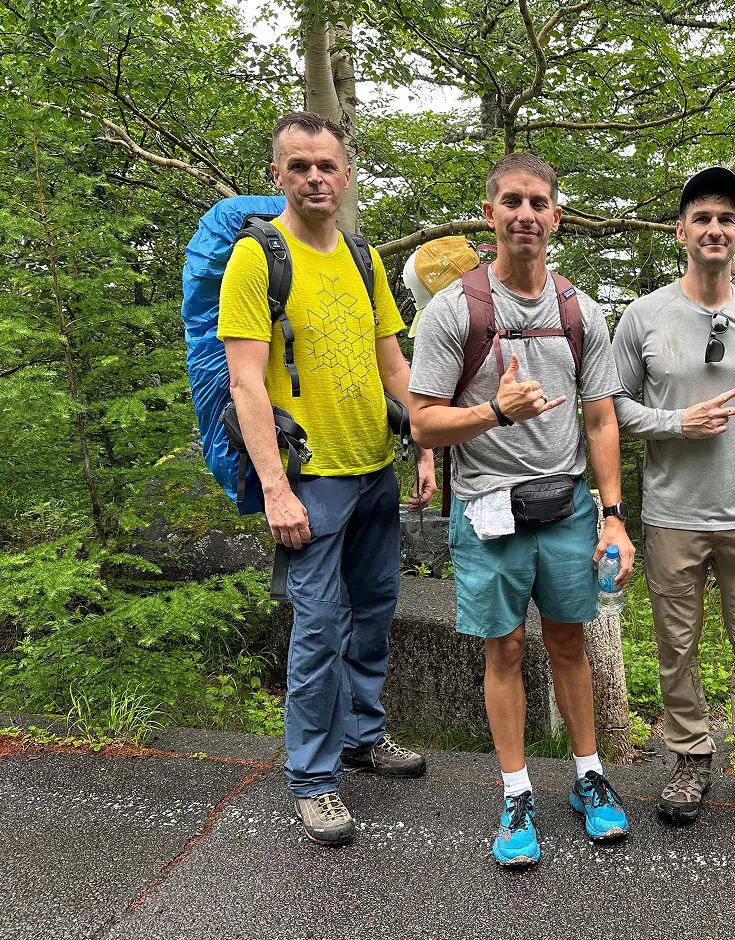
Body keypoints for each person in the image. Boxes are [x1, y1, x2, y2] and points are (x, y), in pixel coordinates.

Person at [408, 152, 635, 867]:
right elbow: (422, 423)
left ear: (556, 217)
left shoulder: (579, 310)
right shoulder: (456, 311)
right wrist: (494, 414)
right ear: (489, 215)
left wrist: (613, 515)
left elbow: (601, 420)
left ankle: (589, 779)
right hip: (487, 511)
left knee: (570, 644)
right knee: (503, 649)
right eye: (511, 202)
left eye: (538, 203)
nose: (525, 215)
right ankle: (515, 793)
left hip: (567, 506)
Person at [219, 111, 436, 847]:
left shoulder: (363, 257)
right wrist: (274, 488)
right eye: (299, 166)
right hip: (310, 480)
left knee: (373, 613)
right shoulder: (258, 257)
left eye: (327, 166)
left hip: (375, 467)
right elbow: (247, 384)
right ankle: (312, 780)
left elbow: (392, 365)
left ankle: (361, 738)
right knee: (317, 631)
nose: (315, 177)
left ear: (346, 175)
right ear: (276, 175)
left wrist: (425, 441)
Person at [612, 168, 735, 828]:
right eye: (702, 218)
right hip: (672, 513)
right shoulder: (644, 316)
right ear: (681, 232)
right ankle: (690, 756)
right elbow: (610, 410)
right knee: (676, 644)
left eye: (726, 218)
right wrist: (676, 423)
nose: (714, 229)